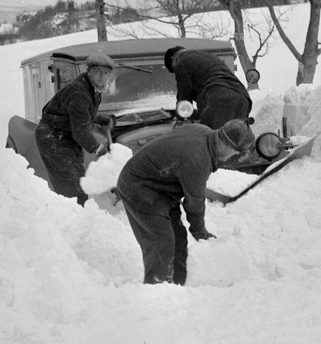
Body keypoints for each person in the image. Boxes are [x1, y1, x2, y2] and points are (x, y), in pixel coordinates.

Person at [116, 118, 255, 285]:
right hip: (138, 187)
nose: (234, 156)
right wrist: (200, 233)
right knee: (162, 243)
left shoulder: (204, 132)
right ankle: (157, 290)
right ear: (228, 146)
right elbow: (194, 203)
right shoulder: (199, 159)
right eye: (236, 152)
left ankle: (176, 287)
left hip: (161, 187)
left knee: (178, 239)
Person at [36, 53, 114, 205]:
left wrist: (100, 119)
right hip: (54, 137)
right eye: (97, 71)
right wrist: (99, 149)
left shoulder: (92, 88)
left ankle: (77, 211)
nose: (101, 76)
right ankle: (73, 214)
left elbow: (79, 114)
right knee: (73, 189)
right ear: (88, 71)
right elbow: (80, 131)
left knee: (77, 182)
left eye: (105, 73)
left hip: (65, 135)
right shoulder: (79, 91)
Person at [164, 46, 253, 130]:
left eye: (173, 70)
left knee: (213, 138)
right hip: (242, 97)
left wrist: (180, 115)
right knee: (238, 136)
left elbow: (184, 93)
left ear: (174, 59)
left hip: (219, 98)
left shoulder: (181, 63)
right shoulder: (207, 56)